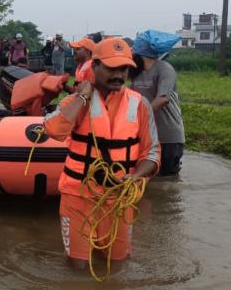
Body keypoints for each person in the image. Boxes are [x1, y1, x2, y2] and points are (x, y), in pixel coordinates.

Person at [43, 37, 160, 270]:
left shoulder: (140, 104)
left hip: (119, 197)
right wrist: (82, 96)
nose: (118, 74)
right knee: (78, 267)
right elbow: (54, 130)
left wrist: (136, 176)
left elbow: (153, 153)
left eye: (124, 68)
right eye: (111, 68)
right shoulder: (76, 101)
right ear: (94, 66)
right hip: (78, 195)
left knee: (117, 264)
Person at [129, 39, 186, 176]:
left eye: (132, 50)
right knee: (147, 178)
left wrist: (138, 116)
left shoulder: (164, 68)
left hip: (168, 136)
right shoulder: (137, 73)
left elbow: (163, 99)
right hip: (147, 136)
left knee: (167, 182)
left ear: (140, 52)